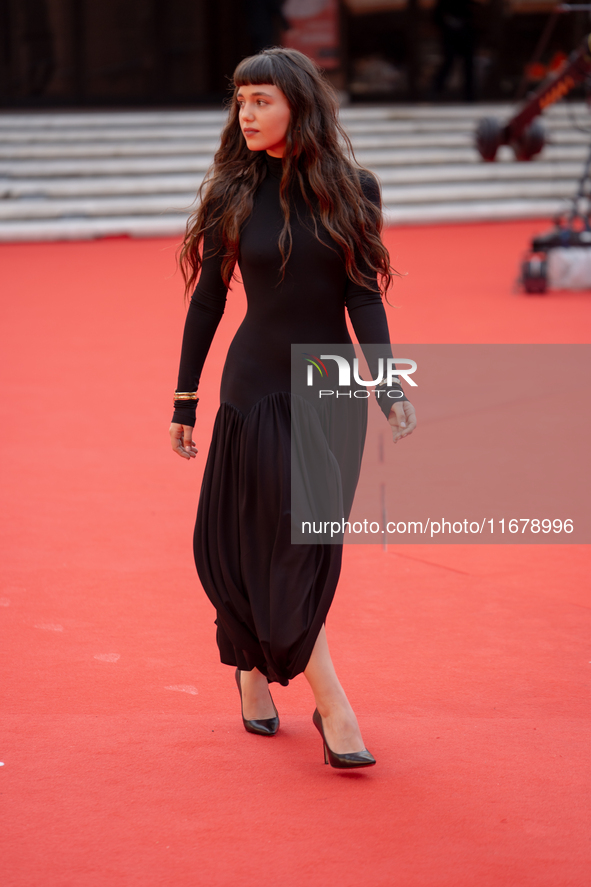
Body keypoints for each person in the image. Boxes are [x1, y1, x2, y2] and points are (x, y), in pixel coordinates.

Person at [169, 47, 416, 769]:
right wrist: (184, 395)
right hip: (255, 385)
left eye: (261, 100)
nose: (245, 114)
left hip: (329, 384)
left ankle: (251, 663)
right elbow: (209, 300)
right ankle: (334, 701)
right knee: (271, 537)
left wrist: (388, 382)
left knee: (305, 550)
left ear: (297, 106)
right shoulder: (232, 191)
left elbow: (363, 294)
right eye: (240, 100)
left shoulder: (353, 188)